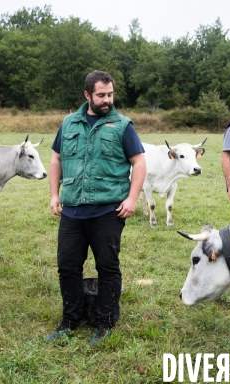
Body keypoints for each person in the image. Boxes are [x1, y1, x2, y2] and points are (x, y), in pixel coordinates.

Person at [47, 70, 146, 345]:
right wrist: (55, 195)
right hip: (72, 210)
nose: (107, 100)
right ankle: (70, 319)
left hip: (108, 211)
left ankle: (105, 322)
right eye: (101, 95)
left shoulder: (123, 126)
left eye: (110, 94)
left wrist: (132, 198)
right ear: (87, 95)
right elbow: (56, 159)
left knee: (108, 267)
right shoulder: (68, 124)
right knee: (67, 267)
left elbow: (139, 162)